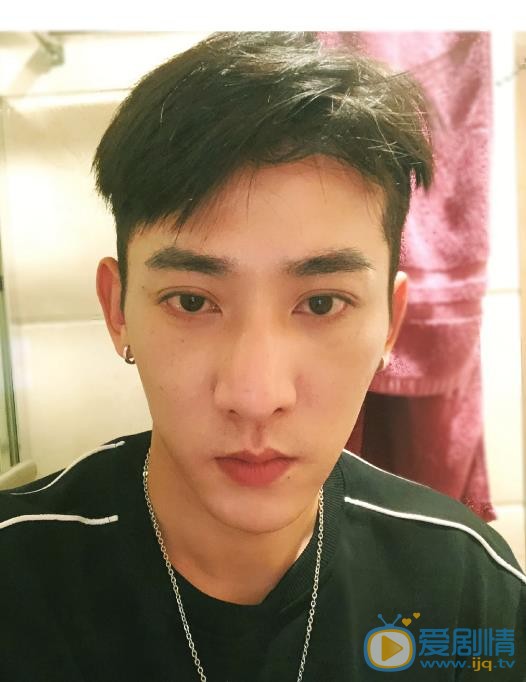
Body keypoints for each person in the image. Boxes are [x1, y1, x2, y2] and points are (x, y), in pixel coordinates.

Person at [1, 31, 524, 681]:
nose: (255, 395)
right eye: (192, 301)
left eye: (323, 303)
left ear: (392, 323)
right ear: (118, 310)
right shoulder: (15, 576)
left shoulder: (467, 586)